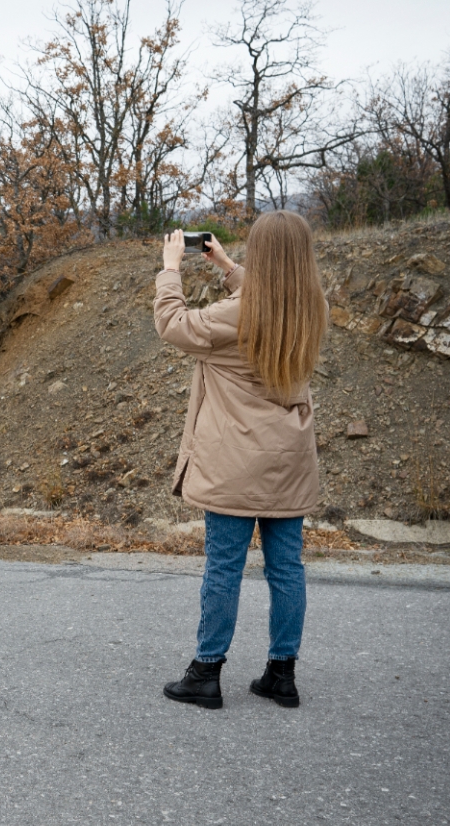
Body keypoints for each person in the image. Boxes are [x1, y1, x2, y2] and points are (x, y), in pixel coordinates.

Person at [153, 212, 327, 710]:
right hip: (289, 460)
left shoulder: (238, 313)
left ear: (264, 254)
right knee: (287, 569)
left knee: (225, 567)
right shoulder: (310, 307)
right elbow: (268, 299)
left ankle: (206, 673)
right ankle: (282, 674)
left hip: (234, 460)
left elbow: (174, 325)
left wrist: (171, 269)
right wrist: (228, 267)